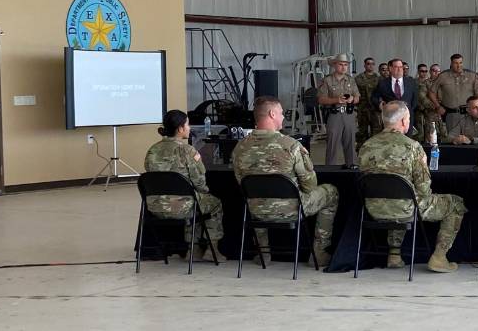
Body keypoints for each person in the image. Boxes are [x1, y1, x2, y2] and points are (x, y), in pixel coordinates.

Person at [358, 102, 466, 272]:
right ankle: (439, 256)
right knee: (455, 204)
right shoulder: (412, 147)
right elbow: (424, 189)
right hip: (406, 209)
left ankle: (394, 254)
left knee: (397, 195)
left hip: (372, 208)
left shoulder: (366, 146)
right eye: (408, 119)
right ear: (403, 122)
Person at [231, 97, 338, 269]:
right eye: (281, 113)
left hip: (256, 210)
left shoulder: (239, 148)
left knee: (257, 196)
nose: (283, 117)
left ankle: (264, 253)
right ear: (272, 114)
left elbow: (241, 183)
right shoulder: (291, 146)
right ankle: (319, 253)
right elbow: (310, 186)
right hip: (291, 210)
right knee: (331, 192)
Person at [143, 110, 224, 260]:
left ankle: (192, 250)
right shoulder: (187, 151)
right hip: (182, 207)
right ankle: (212, 250)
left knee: (193, 200)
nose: (189, 128)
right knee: (211, 203)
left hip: (155, 206)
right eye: (188, 124)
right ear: (180, 129)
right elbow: (199, 182)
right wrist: (204, 192)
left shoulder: (152, 150)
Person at [317, 53, 359, 166]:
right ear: (335, 65)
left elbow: (357, 97)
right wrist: (336, 100)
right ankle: (330, 170)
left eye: (346, 64)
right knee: (332, 145)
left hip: (349, 115)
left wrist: (352, 99)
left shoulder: (351, 80)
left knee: (350, 144)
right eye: (341, 64)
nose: (344, 67)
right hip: (334, 114)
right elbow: (321, 99)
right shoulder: (327, 80)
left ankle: (352, 168)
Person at [429, 55, 478, 131]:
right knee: (452, 139)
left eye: (460, 63)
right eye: (456, 63)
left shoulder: (472, 76)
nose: (459, 66)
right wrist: (438, 106)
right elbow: (431, 93)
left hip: (468, 114)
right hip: (451, 114)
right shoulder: (443, 76)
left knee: (470, 138)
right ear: (451, 63)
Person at [355, 57, 381, 146]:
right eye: (368, 64)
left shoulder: (378, 79)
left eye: (372, 64)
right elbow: (355, 93)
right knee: (362, 132)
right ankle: (361, 152)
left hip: (375, 110)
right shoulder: (358, 78)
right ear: (364, 65)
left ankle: (375, 151)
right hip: (362, 109)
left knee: (376, 132)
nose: (370, 66)